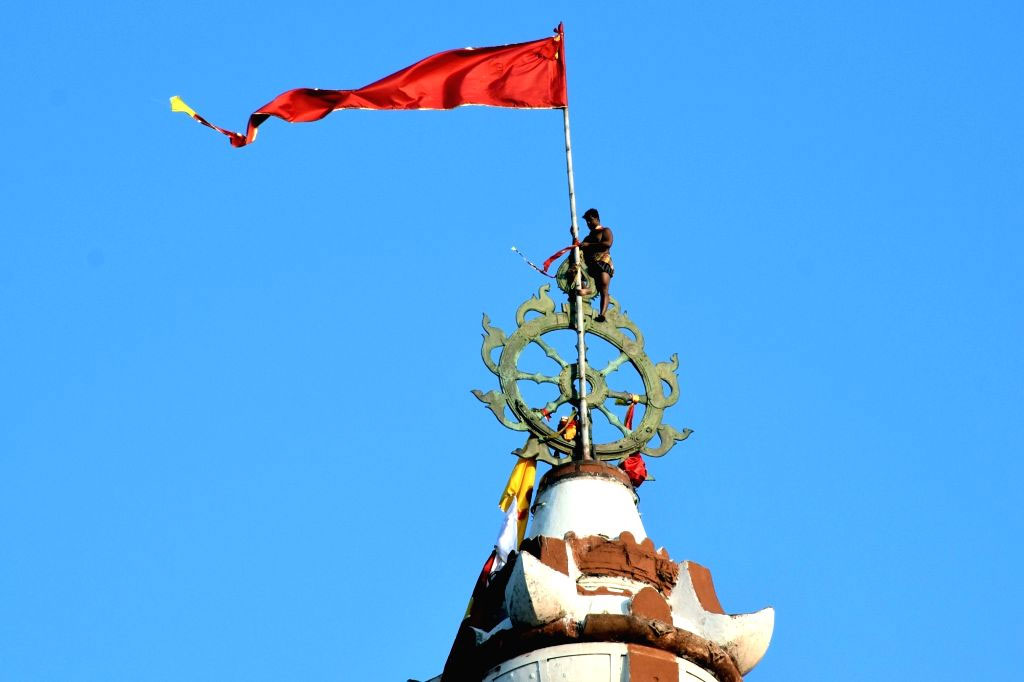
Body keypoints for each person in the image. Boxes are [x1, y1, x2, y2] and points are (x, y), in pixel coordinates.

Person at [574, 208, 614, 322]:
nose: (588, 223)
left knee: (604, 287)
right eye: (587, 221)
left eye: (590, 220)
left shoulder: (605, 231)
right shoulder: (588, 237)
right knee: (575, 269)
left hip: (602, 261)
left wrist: (589, 245)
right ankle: (587, 289)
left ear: (597, 219)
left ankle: (602, 314)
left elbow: (607, 243)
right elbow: (578, 249)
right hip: (590, 264)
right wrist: (574, 236)